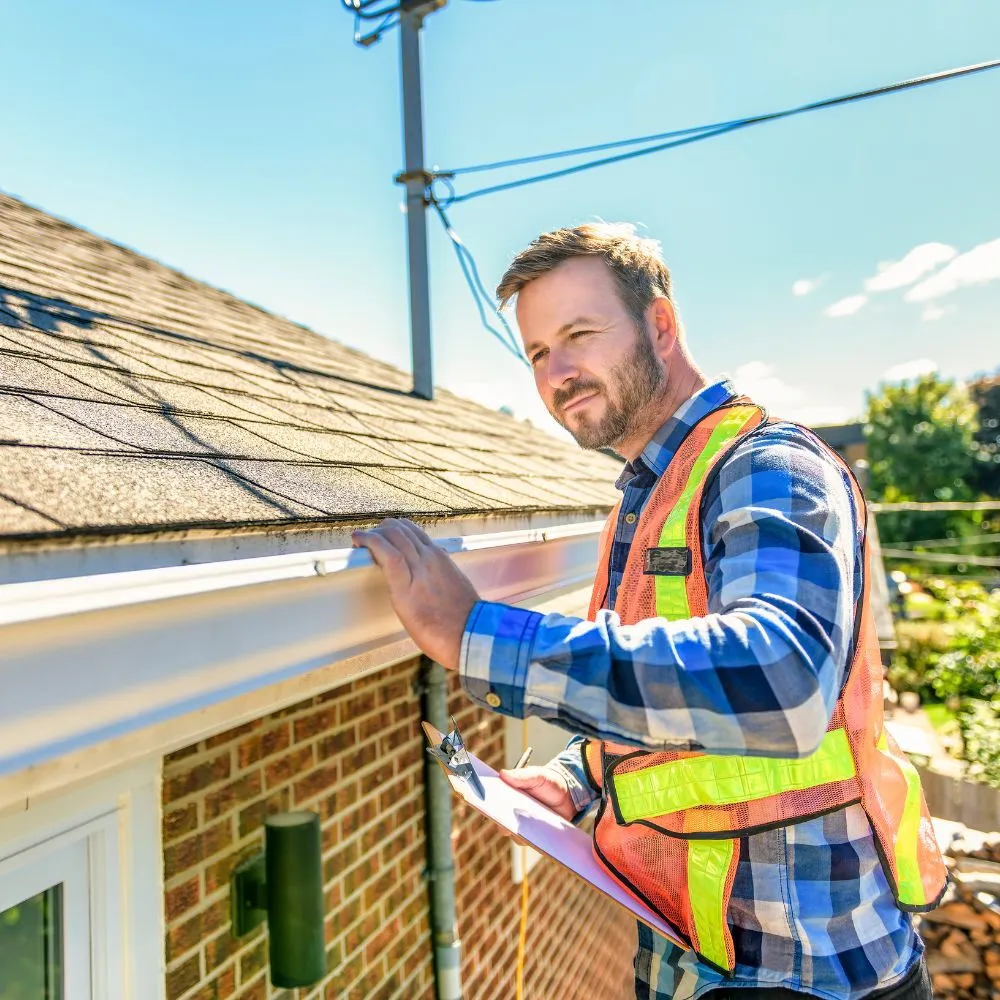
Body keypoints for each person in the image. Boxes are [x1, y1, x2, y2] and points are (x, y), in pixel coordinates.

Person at [352, 224, 944, 1000]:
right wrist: (578, 777)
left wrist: (476, 637)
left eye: (578, 334)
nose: (557, 372)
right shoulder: (648, 496)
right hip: (693, 962)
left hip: (808, 974)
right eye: (536, 353)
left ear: (659, 325)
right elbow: (679, 710)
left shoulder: (764, 466)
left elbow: (783, 682)